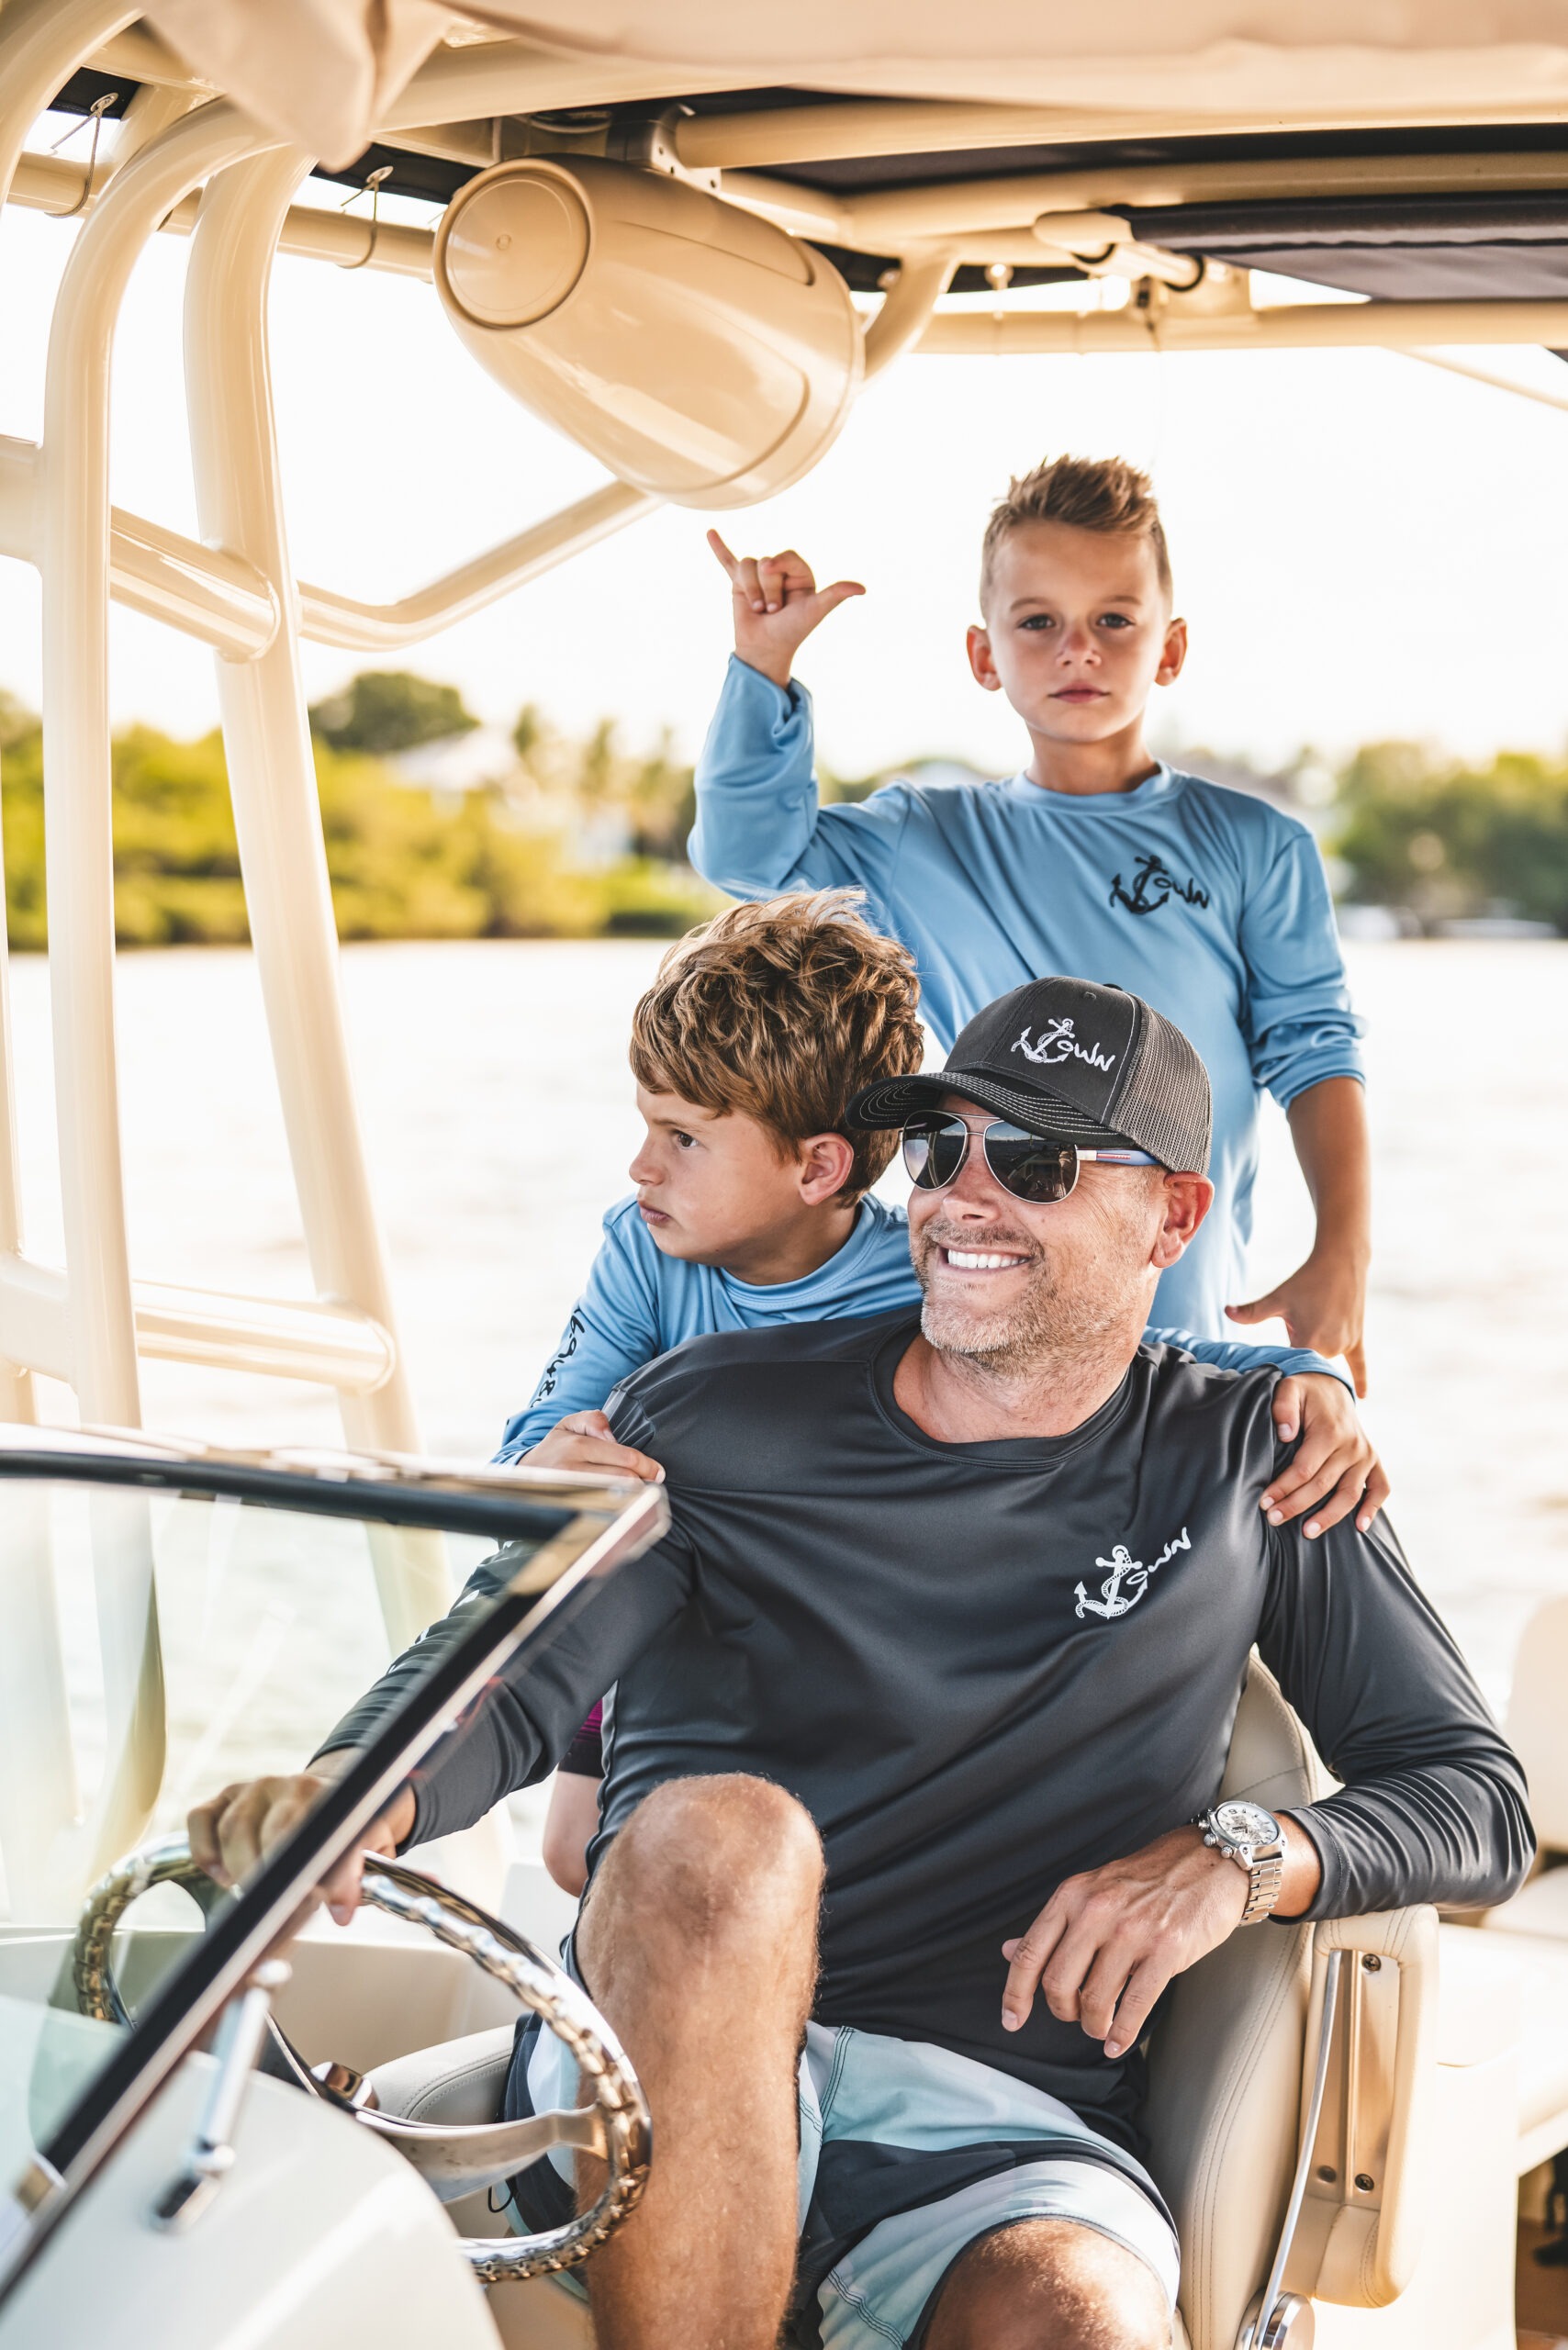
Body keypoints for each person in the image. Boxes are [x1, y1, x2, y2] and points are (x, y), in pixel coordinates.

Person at [190, 974, 1529, 2350]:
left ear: (1173, 1220)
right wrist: (350, 1792)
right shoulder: (707, 1417)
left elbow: (1474, 1795)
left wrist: (1235, 1859)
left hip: (998, 2133)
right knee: (727, 1834)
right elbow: (514, 1669)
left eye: (1035, 1164)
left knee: (1087, 2323)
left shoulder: (1258, 1461)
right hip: (659, 2064)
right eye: (940, 1150)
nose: (963, 1200)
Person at [504, 891, 1383, 1896]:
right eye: (942, 1151)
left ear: (820, 1167)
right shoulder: (641, 1246)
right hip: (663, 1595)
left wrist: (1301, 1374)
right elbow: (550, 1424)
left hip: (815, 1609)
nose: (641, 1167)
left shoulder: (931, 1278)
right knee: (574, 1853)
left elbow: (1134, 1348)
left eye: (684, 1138)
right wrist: (543, 1465)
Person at [694, 454, 1372, 1381]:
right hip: (997, 1317)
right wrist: (762, 666)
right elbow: (747, 857)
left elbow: (1314, 1050)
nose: (1077, 649)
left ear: (1170, 648)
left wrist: (1343, 1248)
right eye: (1038, 621)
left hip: (1178, 1333)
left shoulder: (1258, 844)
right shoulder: (922, 838)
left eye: (1114, 620)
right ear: (985, 655)